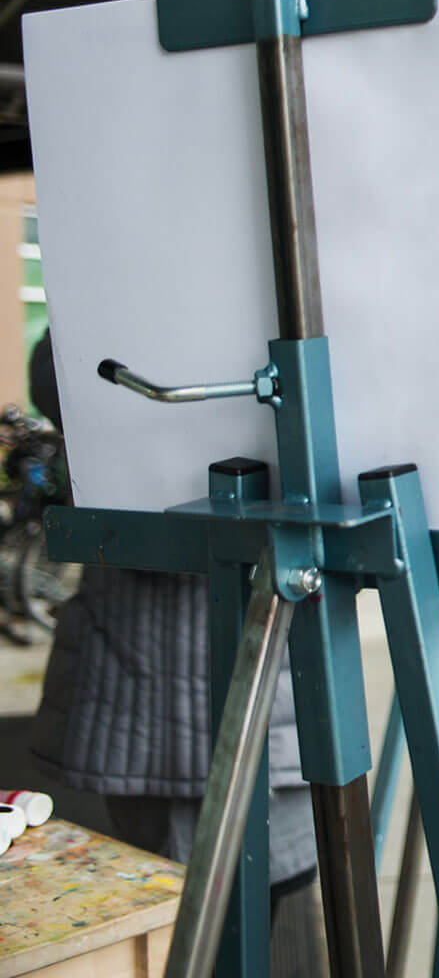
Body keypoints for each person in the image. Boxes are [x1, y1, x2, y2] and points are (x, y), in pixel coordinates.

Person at [27, 328, 329, 975]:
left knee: (254, 920)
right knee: (159, 932)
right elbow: (57, 374)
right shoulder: (109, 286)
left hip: (260, 694)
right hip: (147, 694)